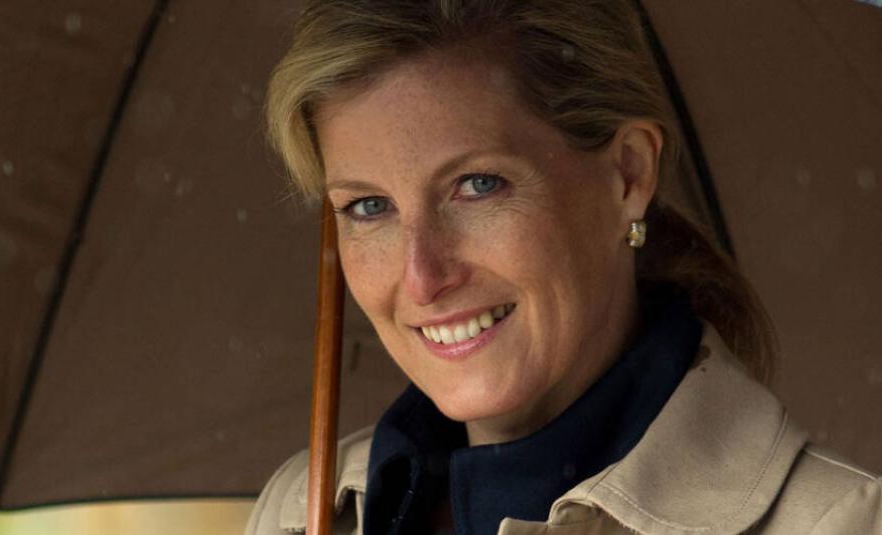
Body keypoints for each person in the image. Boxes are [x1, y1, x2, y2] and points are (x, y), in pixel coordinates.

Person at [245, 1, 882, 534]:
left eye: (478, 185)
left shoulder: (840, 524)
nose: (422, 278)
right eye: (368, 205)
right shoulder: (304, 510)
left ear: (628, 173)